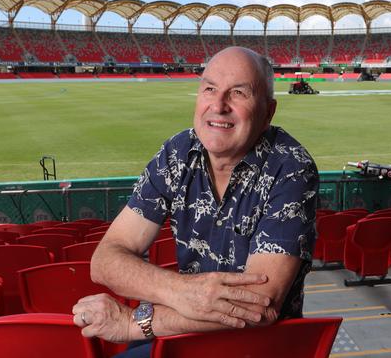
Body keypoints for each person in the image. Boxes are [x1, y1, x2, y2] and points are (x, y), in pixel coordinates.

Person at [73, 46, 319, 357]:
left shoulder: (291, 166)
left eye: (238, 93)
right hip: (183, 334)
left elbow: (260, 305)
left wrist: (136, 322)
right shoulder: (178, 152)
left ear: (268, 112)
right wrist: (181, 291)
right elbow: (105, 260)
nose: (219, 105)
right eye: (210, 89)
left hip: (258, 346)